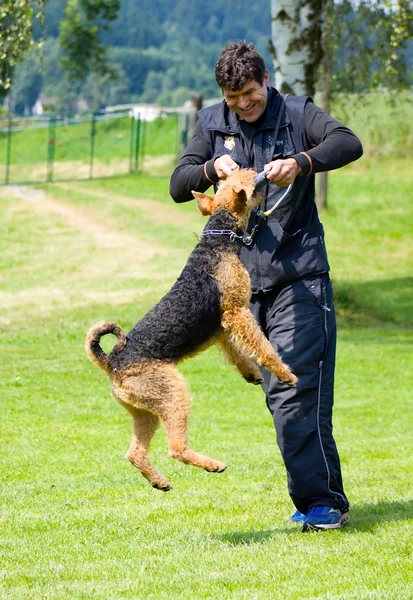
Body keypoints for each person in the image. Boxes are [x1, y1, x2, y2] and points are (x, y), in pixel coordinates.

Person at [169, 41, 363, 532]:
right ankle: (316, 499)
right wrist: (213, 168)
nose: (243, 105)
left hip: (299, 277)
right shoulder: (213, 122)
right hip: (244, 289)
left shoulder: (297, 113)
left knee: (295, 386)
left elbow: (348, 143)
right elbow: (178, 182)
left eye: (250, 94)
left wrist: (301, 161)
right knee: (279, 391)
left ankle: (322, 503)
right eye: (234, 98)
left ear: (266, 79)